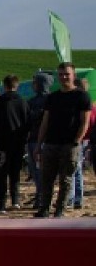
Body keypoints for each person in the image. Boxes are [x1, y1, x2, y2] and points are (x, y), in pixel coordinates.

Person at [35, 62, 91, 218]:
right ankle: (44, 208)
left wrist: (77, 141)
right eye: (60, 74)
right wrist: (39, 144)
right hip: (51, 143)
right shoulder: (52, 98)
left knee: (65, 180)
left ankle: (59, 209)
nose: (64, 77)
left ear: (73, 75)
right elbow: (45, 122)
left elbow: (84, 121)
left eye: (66, 74)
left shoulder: (81, 96)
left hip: (70, 144)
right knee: (47, 179)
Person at [0, 74, 28, 212]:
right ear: (17, 85)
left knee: (1, 174)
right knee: (15, 173)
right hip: (18, 143)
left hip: (1, 144)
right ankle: (15, 201)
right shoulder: (23, 102)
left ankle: (2, 203)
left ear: (4, 86)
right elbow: (28, 125)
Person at [26, 73, 53, 209]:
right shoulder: (32, 101)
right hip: (32, 140)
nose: (33, 85)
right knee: (36, 171)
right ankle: (39, 195)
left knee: (41, 171)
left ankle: (42, 197)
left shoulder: (50, 100)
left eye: (35, 82)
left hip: (42, 141)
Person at [67, 77, 90, 209]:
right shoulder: (89, 103)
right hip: (84, 139)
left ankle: (72, 198)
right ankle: (77, 198)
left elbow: (86, 123)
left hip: (78, 139)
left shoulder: (81, 102)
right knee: (77, 170)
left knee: (72, 169)